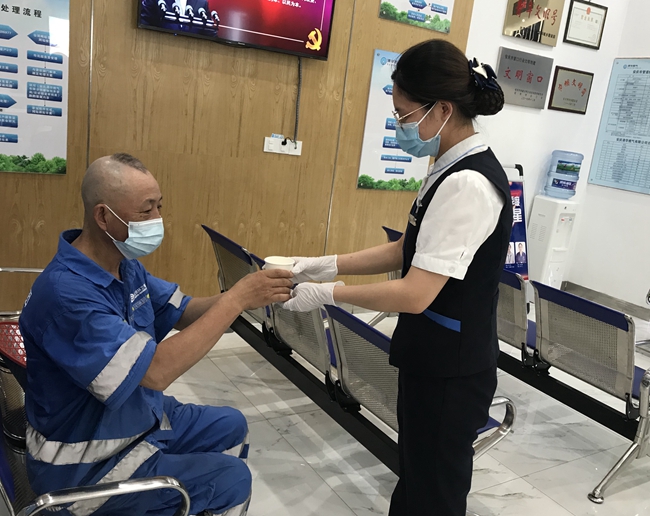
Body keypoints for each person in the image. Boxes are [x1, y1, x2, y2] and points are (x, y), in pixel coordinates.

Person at [282, 40, 512, 516]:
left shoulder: (469, 183)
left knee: (433, 496)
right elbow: (407, 248)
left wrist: (326, 294)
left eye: (404, 115)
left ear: (442, 109)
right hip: (432, 356)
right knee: (417, 481)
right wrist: (323, 263)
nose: (399, 125)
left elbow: (415, 293)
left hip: (451, 370)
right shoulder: (448, 166)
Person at [19, 154, 293, 516]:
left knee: (231, 425)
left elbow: (185, 311)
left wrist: (254, 293)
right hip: (86, 465)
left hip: (134, 420)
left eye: (159, 206)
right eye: (146, 210)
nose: (157, 219)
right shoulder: (66, 295)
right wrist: (238, 299)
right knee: (232, 479)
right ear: (103, 216)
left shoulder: (124, 267)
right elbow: (157, 371)